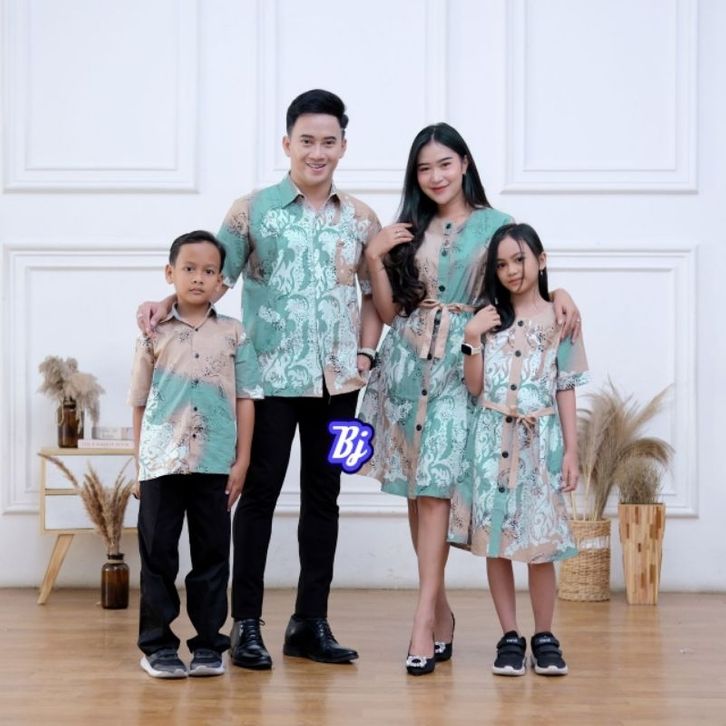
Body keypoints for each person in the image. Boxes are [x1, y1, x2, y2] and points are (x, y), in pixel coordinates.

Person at [137, 90, 382, 668]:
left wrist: (366, 355)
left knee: (325, 498)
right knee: (257, 499)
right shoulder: (251, 212)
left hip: (340, 386)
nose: (317, 152)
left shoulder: (362, 218)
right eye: (307, 140)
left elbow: (374, 295)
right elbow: (208, 276)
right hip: (267, 384)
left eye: (328, 142)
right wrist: (163, 302)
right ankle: (246, 623)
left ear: (343, 147)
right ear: (287, 143)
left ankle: (310, 623)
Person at [359, 124, 581, 675]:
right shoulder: (406, 229)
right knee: (417, 495)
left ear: (464, 163)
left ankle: (421, 621)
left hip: (461, 370)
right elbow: (388, 312)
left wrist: (562, 293)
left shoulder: (496, 223)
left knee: (437, 490)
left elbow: (522, 281)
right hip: (405, 371)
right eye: (424, 168)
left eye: (444, 164)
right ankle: (439, 611)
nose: (435, 177)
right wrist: (374, 259)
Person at [449, 222, 588, 677]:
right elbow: (474, 387)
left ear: (541, 260)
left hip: (541, 444)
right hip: (491, 443)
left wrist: (571, 450)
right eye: (501, 264)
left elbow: (565, 386)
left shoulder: (562, 319)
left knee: (541, 547)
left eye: (520, 259)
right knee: (498, 543)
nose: (511, 270)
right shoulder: (489, 320)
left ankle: (544, 635)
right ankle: (509, 635)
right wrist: (471, 337)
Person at [129, 230, 263, 679]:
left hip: (214, 464)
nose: (199, 278)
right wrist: (141, 465)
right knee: (158, 559)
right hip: (160, 465)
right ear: (170, 273)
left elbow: (246, 398)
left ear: (221, 279)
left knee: (211, 559)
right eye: (189, 269)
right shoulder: (152, 334)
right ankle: (157, 647)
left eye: (209, 271)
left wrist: (242, 461)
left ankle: (209, 645)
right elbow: (139, 402)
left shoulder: (234, 334)